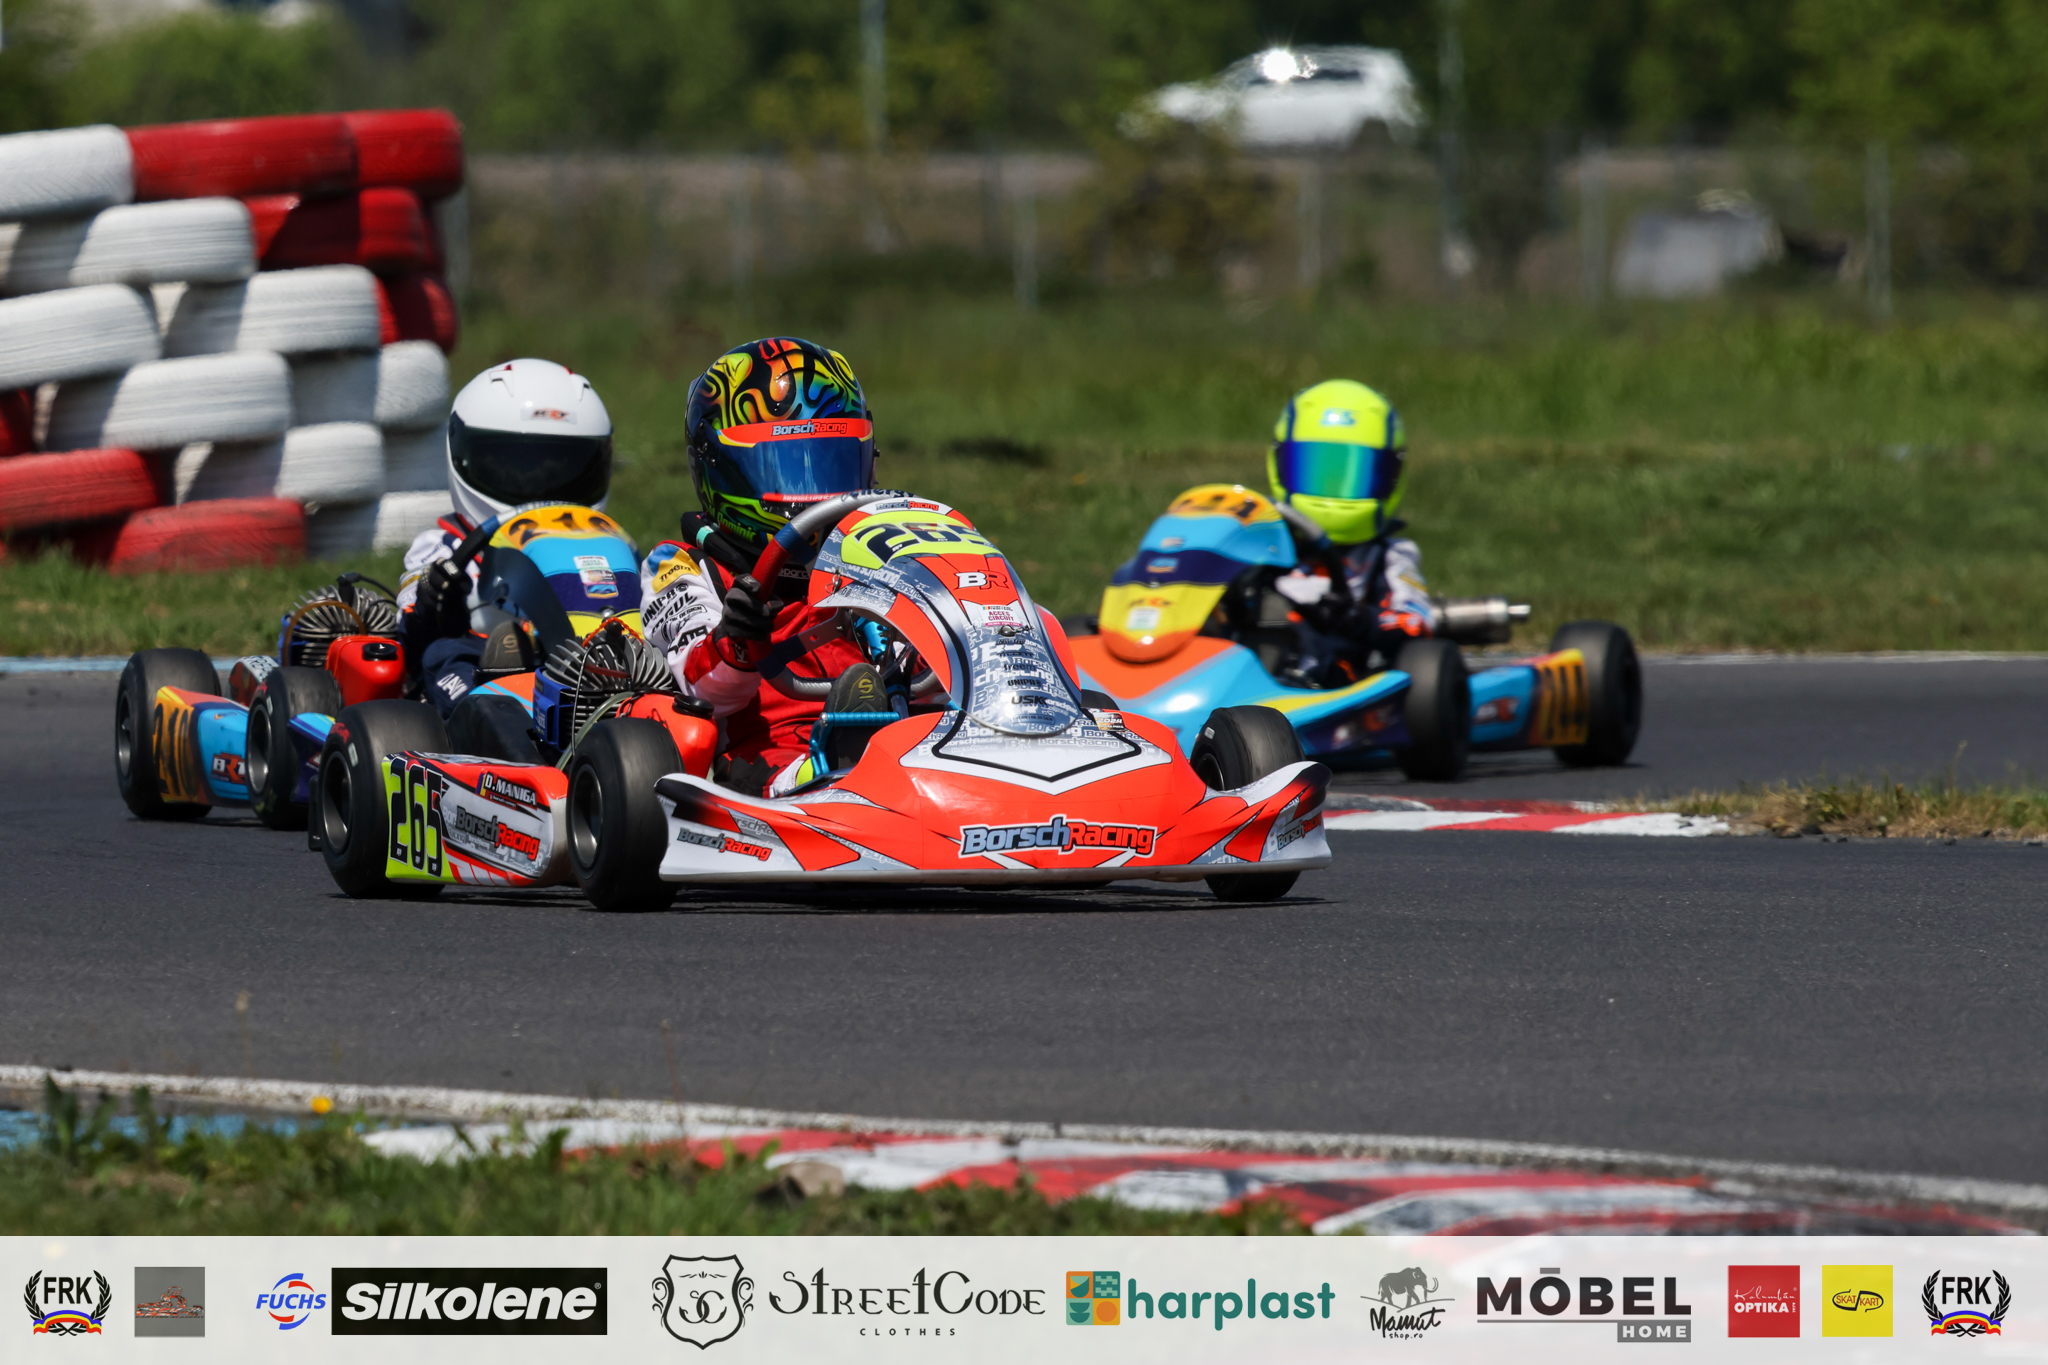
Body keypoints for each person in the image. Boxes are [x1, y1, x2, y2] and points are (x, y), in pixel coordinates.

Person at [638, 337, 886, 796]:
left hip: (900, 728)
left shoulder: (876, 552)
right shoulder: (683, 565)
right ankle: (837, 767)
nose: (814, 494)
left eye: (829, 464)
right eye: (789, 471)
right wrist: (737, 639)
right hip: (772, 760)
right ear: (722, 470)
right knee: (794, 769)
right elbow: (700, 688)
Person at [397, 358, 615, 716]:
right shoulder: (445, 546)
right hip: (480, 662)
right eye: (517, 467)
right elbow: (409, 620)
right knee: (443, 652)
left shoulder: (603, 546)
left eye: (562, 469)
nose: (541, 488)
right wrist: (435, 595)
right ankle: (492, 717)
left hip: (586, 656)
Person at [1263, 378, 1437, 681]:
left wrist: (1359, 619)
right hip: (1245, 664)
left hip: (1328, 681)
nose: (1333, 490)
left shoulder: (1389, 555)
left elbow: (1415, 619)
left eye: (1354, 473)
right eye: (1317, 470)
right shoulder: (1258, 542)